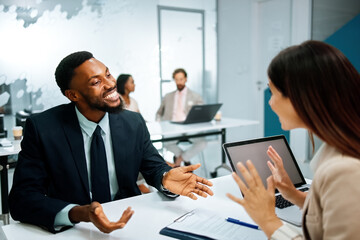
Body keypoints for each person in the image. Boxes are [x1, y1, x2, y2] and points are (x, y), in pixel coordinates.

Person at [9, 51, 214, 234]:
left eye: (107, 74)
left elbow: (153, 166)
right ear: (73, 95)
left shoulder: (132, 122)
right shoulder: (43, 128)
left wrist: (165, 178)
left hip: (130, 222)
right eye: (95, 82)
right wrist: (80, 213)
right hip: (76, 229)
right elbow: (21, 199)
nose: (110, 84)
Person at [227, 40, 360, 239]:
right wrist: (293, 194)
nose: (270, 102)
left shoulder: (345, 171)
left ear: (301, 96)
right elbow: (332, 213)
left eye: (272, 92)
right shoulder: (337, 147)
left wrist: (267, 220)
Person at [156, 68, 207, 167]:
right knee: (166, 143)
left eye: (181, 79)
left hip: (190, 127)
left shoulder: (195, 96)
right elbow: (158, 113)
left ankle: (179, 160)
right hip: (172, 127)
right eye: (176, 79)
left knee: (203, 143)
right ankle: (185, 159)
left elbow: (202, 113)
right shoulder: (167, 96)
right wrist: (159, 124)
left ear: (186, 79)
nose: (179, 82)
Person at [116, 73, 150, 194]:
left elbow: (140, 119)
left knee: (144, 151)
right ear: (125, 84)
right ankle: (139, 184)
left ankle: (143, 183)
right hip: (122, 140)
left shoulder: (133, 101)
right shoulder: (116, 99)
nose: (134, 84)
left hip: (134, 138)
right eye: (132, 82)